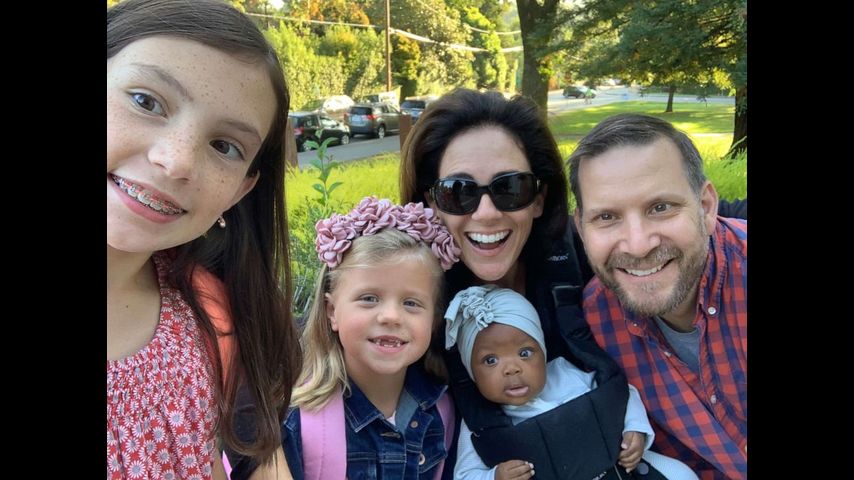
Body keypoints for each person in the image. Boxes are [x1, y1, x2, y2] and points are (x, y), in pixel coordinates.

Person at [400, 89, 745, 479]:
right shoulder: (412, 301)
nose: (486, 212)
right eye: (458, 192)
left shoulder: (587, 257)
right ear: (430, 202)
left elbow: (693, 211)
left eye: (510, 188)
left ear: (539, 198)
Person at [107, 0, 301, 478]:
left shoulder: (211, 318)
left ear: (240, 190)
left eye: (224, 146)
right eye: (145, 101)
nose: (177, 161)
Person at [227, 196, 461, 480]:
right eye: (369, 298)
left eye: (411, 303)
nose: (391, 316)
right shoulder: (298, 422)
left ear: (434, 319)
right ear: (331, 311)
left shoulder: (443, 413)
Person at [568, 113, 747, 479]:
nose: (638, 245)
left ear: (706, 207)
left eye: (660, 207)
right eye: (606, 217)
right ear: (581, 229)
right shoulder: (592, 329)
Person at [445, 285, 699, 480]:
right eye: (490, 360)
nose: (512, 368)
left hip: (616, 469)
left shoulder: (566, 374)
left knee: (680, 473)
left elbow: (622, 394)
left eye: (525, 353)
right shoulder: (480, 421)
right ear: (472, 372)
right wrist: (495, 476)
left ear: (543, 352)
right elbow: (464, 475)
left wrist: (635, 430)